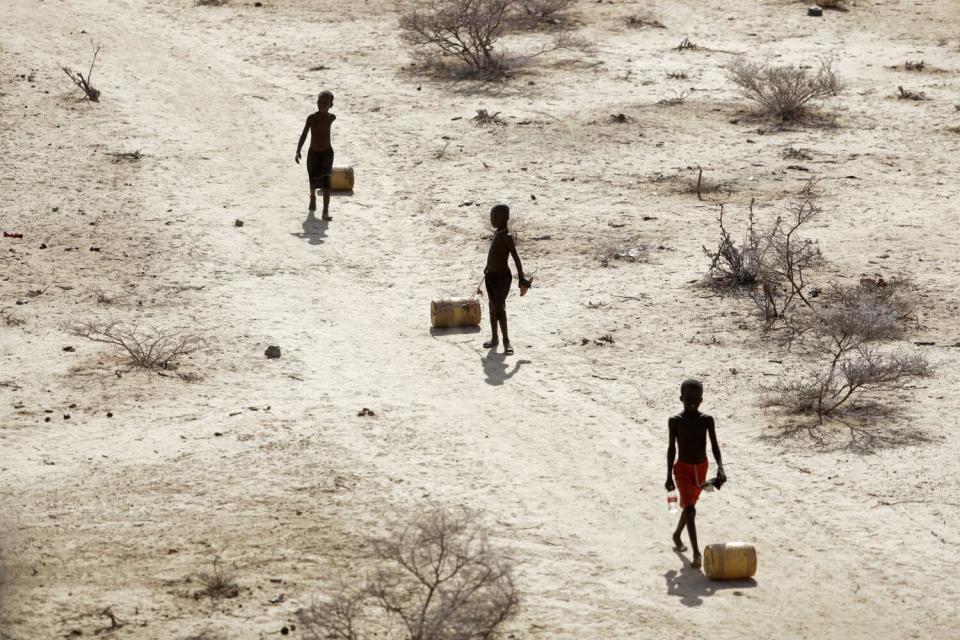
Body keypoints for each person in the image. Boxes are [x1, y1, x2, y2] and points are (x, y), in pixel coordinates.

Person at [665, 379, 726, 569]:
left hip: (701, 468)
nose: (691, 402)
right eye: (688, 398)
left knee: (689, 507)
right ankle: (697, 554)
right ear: (681, 398)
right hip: (682, 469)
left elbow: (715, 446)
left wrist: (721, 468)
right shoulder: (675, 421)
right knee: (690, 509)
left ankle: (676, 535)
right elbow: (671, 449)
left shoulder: (707, 420)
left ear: (701, 400)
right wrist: (668, 476)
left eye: (696, 398)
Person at [479, 204, 530, 356]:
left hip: (502, 277)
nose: (492, 219)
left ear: (504, 218)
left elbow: (516, 259)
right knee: (492, 306)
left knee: (500, 307)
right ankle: (495, 339)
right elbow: (494, 255)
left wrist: (521, 278)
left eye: (494, 217)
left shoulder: (507, 237)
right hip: (490, 276)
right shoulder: (497, 234)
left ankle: (506, 341)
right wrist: (487, 267)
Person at [295, 90, 336, 220]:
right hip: (313, 153)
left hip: (327, 153)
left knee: (327, 182)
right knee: (313, 180)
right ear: (316, 103)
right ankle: (312, 197)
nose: (322, 105)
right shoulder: (312, 118)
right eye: (320, 102)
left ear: (331, 105)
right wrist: (298, 150)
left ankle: (325, 211)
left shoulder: (331, 118)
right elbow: (304, 134)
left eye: (326, 103)